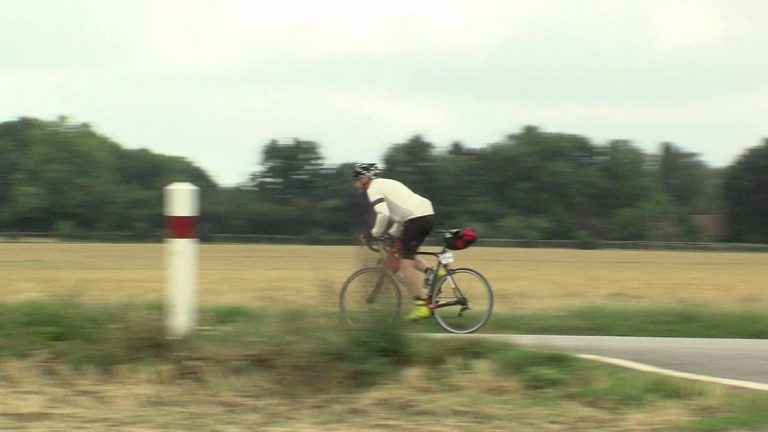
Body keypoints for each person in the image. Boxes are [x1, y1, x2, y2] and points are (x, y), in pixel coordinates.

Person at [353, 162, 436, 320]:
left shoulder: (373, 189)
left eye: (357, 180)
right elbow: (399, 216)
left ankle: (422, 306)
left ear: (365, 179)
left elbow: (383, 214)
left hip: (416, 219)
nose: (356, 185)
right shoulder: (388, 183)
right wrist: (390, 236)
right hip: (424, 215)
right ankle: (431, 273)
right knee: (402, 249)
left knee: (405, 263)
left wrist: (372, 235)